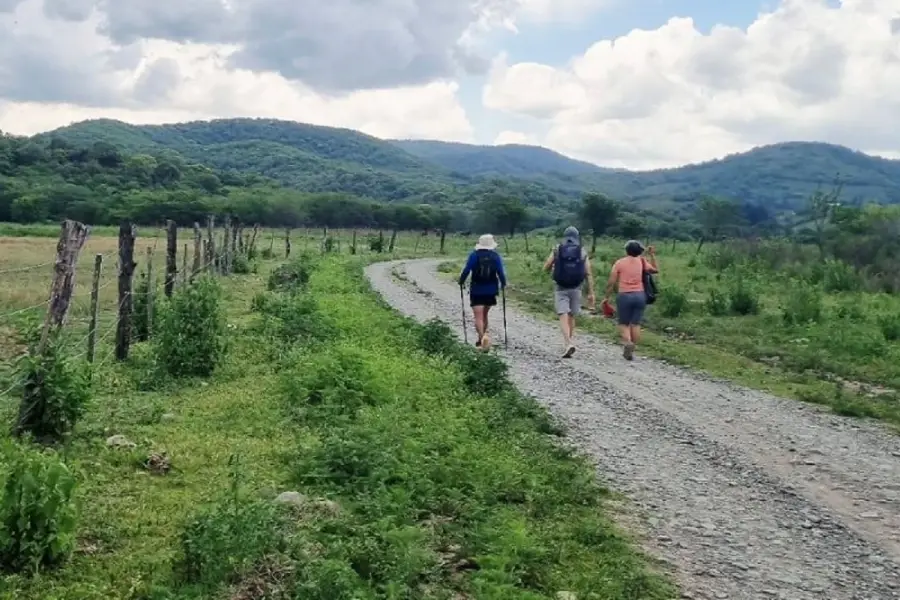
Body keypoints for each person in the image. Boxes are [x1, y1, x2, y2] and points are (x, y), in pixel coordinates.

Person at [543, 226, 595, 358]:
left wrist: (551, 269)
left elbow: (546, 266)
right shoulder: (581, 250)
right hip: (576, 287)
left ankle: (568, 343)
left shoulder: (557, 249)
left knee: (563, 314)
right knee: (571, 315)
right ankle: (569, 341)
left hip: (560, 287)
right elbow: (588, 273)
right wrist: (591, 292)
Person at [603, 240, 658, 361]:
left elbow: (611, 282)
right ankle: (632, 348)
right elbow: (655, 270)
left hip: (624, 295)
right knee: (635, 323)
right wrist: (652, 255)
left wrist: (606, 297)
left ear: (626, 250)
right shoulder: (642, 261)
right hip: (640, 295)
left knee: (623, 323)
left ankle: (628, 342)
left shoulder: (620, 263)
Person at [458, 234, 507, 350]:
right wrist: (503, 284)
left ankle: (481, 340)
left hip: (477, 289)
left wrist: (461, 281)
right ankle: (484, 339)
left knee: (478, 317)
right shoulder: (495, 256)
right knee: (485, 315)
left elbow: (466, 270)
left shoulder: (474, 255)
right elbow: (501, 272)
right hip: (491, 290)